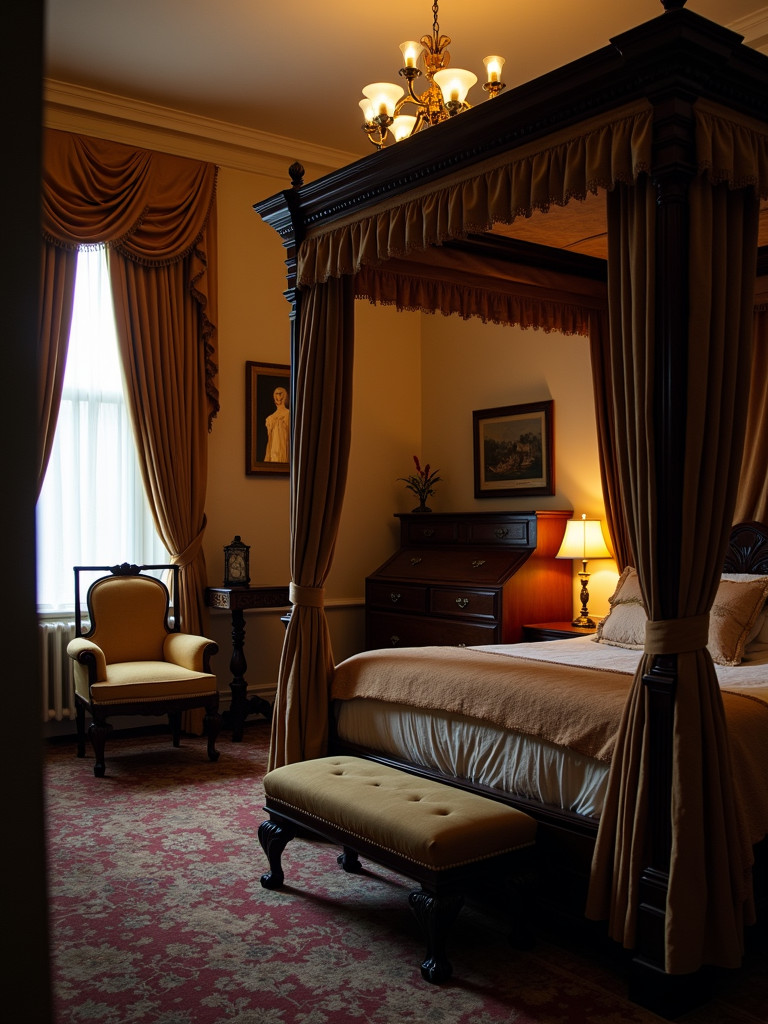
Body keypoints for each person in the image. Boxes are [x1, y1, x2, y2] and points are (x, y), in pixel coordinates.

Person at [264, 386, 290, 462]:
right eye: (276, 394)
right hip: (273, 454)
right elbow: (270, 440)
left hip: (284, 452)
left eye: (280, 393)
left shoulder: (289, 414)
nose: (278, 396)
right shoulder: (270, 418)